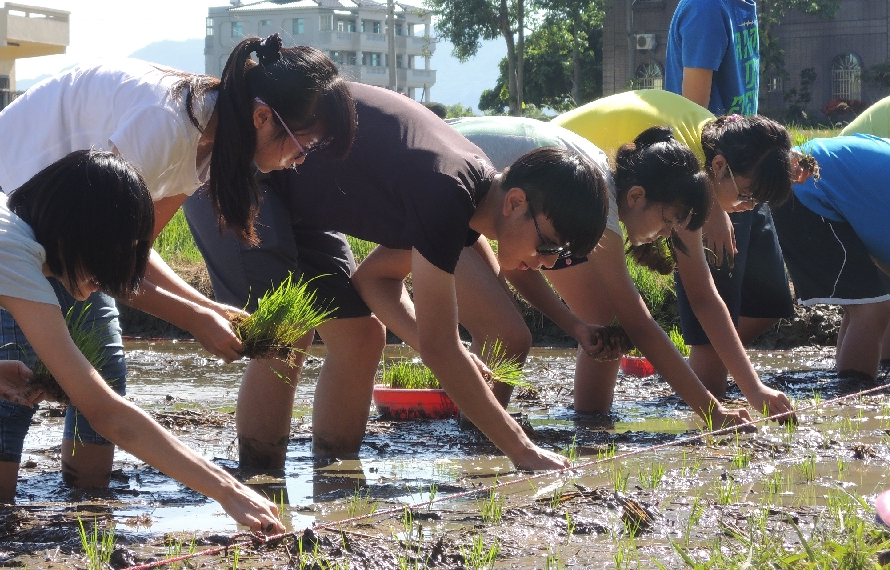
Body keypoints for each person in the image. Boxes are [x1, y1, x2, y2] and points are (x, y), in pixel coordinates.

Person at [0, 34, 354, 499]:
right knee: (17, 371)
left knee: (103, 369)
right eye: (301, 145)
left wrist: (207, 308)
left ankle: (86, 512)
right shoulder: (166, 125)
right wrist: (193, 319)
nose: (298, 161)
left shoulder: (210, 138)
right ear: (262, 117)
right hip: (8, 179)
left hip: (69, 212)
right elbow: (108, 264)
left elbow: (133, 249)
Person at [184, 83, 617, 472]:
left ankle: (335, 479)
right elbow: (440, 348)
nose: (545, 262)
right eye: (547, 246)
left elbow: (375, 281)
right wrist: (523, 450)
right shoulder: (447, 194)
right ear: (516, 203)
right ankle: (261, 486)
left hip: (300, 198)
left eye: (558, 257)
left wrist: (445, 348)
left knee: (361, 336)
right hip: (241, 165)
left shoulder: (470, 196)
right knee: (285, 333)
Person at [0, 154, 281, 532]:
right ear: (77, 234)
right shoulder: (8, 253)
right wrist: (228, 491)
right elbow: (103, 410)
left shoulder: (6, 228)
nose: (107, 278)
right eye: (109, 257)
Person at [452, 114, 775, 424]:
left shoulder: (595, 188)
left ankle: (586, 422)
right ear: (636, 197)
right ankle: (481, 438)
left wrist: (577, 327)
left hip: (460, 191)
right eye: (665, 224)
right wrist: (712, 412)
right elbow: (640, 325)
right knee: (506, 334)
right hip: (435, 190)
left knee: (597, 320)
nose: (663, 237)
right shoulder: (599, 204)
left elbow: (518, 267)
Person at [548, 89, 795, 414]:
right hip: (556, 179)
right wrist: (712, 412)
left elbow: (704, 297)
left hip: (583, 186)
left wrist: (754, 389)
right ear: (719, 167)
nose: (746, 208)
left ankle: (592, 425)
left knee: (607, 322)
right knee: (605, 318)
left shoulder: (710, 156)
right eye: (745, 196)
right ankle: (590, 429)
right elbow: (645, 321)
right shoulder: (683, 166)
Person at [664, 0, 800, 388]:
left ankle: (705, 380)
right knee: (708, 323)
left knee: (769, 303)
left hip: (747, 181)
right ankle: (707, 417)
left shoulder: (741, 0)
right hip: (715, 184)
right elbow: (691, 111)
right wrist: (709, 206)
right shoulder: (706, 6)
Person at [770, 134, 890, 380]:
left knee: (871, 301)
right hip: (807, 191)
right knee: (871, 308)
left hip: (810, 183)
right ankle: (853, 399)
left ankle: (874, 372)